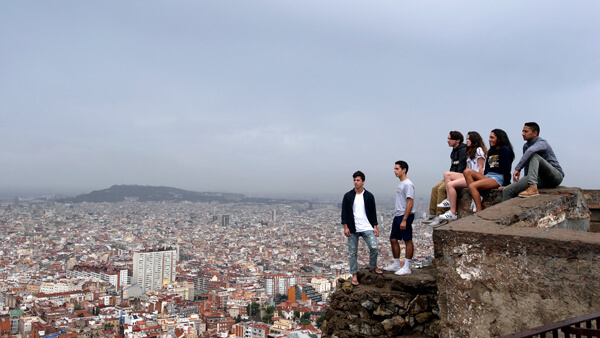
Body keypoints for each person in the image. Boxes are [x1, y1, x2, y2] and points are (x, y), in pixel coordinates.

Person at [502, 122, 564, 200]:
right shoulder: (526, 146)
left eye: (526, 131)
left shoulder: (542, 143)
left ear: (535, 133)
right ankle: (509, 211)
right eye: (522, 131)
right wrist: (523, 184)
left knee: (534, 156)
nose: (523, 134)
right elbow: (527, 167)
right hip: (539, 179)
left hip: (554, 176)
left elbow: (531, 151)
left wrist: (518, 168)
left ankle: (533, 188)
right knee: (507, 190)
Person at [341, 171, 382, 286]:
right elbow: (344, 212)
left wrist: (375, 226)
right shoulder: (348, 196)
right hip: (353, 227)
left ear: (363, 181)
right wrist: (345, 227)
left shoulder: (369, 196)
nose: (356, 182)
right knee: (352, 252)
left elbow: (373, 212)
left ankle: (373, 266)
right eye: (354, 180)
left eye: (358, 180)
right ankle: (354, 274)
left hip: (366, 226)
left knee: (374, 247)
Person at [438, 132, 487, 221]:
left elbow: (481, 167)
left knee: (450, 185)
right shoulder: (469, 151)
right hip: (467, 175)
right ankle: (449, 200)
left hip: (474, 177)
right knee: (447, 174)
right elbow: (466, 168)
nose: (467, 140)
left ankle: (453, 212)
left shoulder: (479, 150)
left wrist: (480, 182)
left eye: (468, 139)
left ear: (474, 140)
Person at [464, 129, 515, 212]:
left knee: (472, 186)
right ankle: (476, 196)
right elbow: (487, 168)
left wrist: (506, 184)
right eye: (489, 137)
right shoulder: (491, 151)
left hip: (498, 177)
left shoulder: (505, 150)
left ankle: (478, 210)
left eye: (492, 137)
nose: (489, 140)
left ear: (499, 138)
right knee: (467, 172)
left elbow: (507, 168)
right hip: (488, 176)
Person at [425, 131, 467, 226]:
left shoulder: (462, 151)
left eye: (450, 139)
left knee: (442, 189)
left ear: (458, 140)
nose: (448, 141)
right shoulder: (454, 151)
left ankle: (440, 216)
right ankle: (432, 214)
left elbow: (461, 168)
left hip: (458, 177)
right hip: (451, 176)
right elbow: (453, 167)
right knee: (435, 188)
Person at [383, 161, 415, 276]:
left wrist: (405, 219)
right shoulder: (401, 184)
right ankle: (396, 263)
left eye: (397, 169)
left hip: (405, 215)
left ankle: (407, 266)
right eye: (395, 169)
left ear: (404, 170)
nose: (395, 171)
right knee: (393, 239)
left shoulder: (407, 184)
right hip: (398, 214)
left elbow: (410, 203)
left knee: (407, 240)